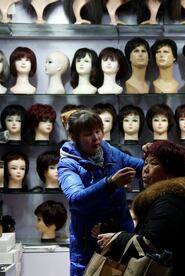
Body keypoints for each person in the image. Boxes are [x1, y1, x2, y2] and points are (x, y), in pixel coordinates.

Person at [97, 141, 185, 276]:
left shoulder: (170, 202)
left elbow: (150, 244)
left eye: (154, 164)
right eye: (145, 163)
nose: (145, 169)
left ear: (171, 172)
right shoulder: (165, 199)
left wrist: (117, 238)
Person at [58, 110, 144, 276]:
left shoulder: (111, 153)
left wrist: (155, 155)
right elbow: (76, 200)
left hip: (122, 238)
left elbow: (141, 168)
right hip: (89, 245)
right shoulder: (68, 164)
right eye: (88, 134)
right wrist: (110, 182)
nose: (96, 138)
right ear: (74, 138)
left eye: (98, 131)